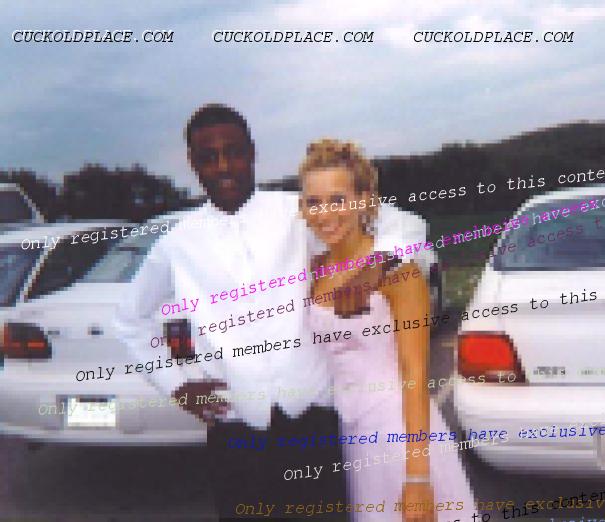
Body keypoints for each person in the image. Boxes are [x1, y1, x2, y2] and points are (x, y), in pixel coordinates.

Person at [114, 104, 430, 520]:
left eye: (234, 152)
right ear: (193, 163)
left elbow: (407, 225)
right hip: (235, 432)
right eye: (209, 157)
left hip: (315, 423)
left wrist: (378, 262)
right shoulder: (176, 245)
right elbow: (129, 320)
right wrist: (174, 384)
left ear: (252, 152)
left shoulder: (296, 212)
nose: (224, 166)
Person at [298, 139, 475, 522]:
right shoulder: (314, 271)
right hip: (353, 434)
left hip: (401, 432)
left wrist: (418, 477)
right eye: (314, 202)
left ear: (363, 200)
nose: (325, 214)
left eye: (338, 199)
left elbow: (415, 376)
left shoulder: (399, 274)